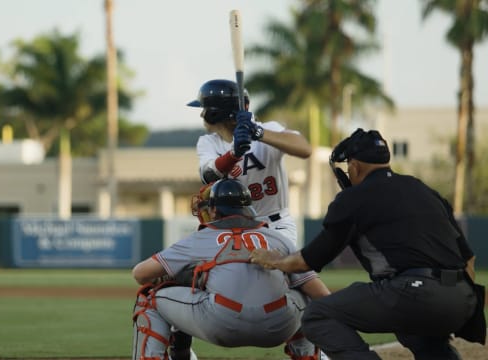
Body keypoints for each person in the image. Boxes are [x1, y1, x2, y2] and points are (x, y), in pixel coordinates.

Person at [250, 128, 485, 360]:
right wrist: (448, 298)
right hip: (463, 298)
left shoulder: (353, 198)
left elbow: (307, 261)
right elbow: (469, 259)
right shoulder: (422, 188)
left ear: (354, 166)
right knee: (413, 327)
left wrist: (276, 260)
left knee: (318, 315)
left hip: (415, 293)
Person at [131, 178, 331, 360]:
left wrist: (181, 276)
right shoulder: (278, 238)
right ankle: (310, 357)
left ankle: (175, 356)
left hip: (221, 324)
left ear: (215, 211)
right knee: (305, 292)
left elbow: (140, 274)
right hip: (279, 326)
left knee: (149, 298)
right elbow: (321, 294)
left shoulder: (201, 238)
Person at [187, 79, 312, 242]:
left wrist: (258, 133)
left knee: (274, 266)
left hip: (275, 224)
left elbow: (304, 149)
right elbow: (209, 174)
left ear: (216, 113)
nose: (202, 114)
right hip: (233, 227)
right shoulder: (208, 142)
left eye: (205, 109)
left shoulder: (269, 130)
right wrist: (234, 154)